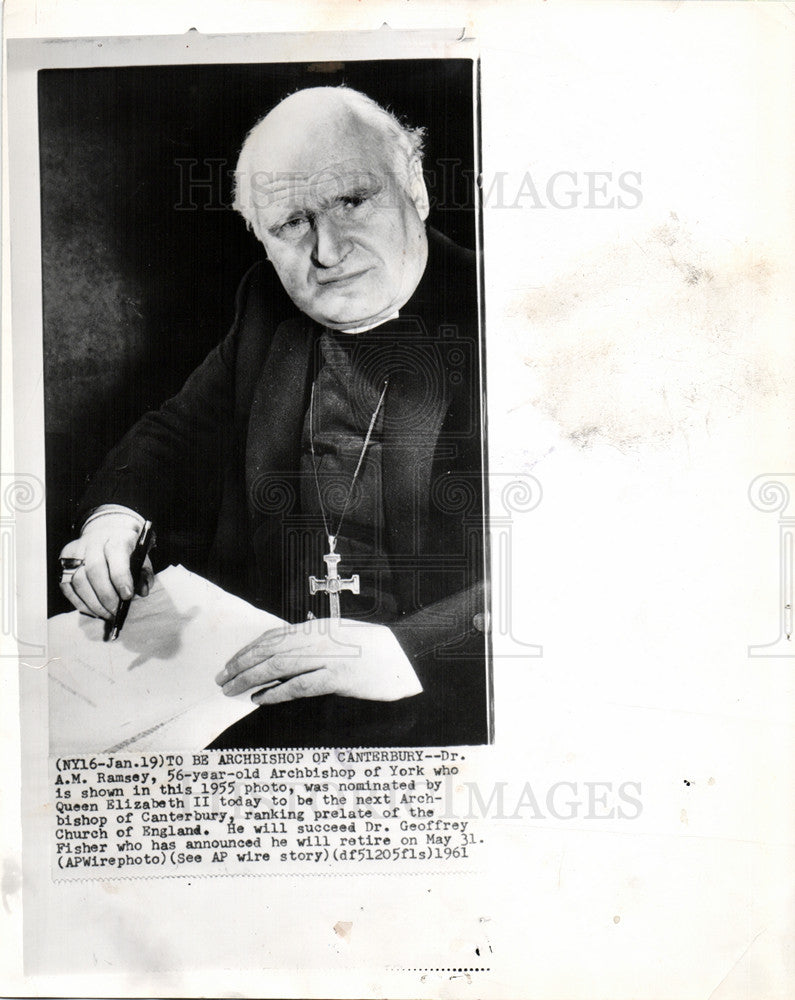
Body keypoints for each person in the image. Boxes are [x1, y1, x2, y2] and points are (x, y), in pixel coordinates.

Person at [57, 86, 488, 748]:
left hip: (435, 709)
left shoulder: (516, 313)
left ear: (416, 189)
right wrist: (114, 519)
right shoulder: (266, 301)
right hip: (251, 692)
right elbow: (176, 434)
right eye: (290, 223)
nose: (326, 252)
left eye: (351, 201)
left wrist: (407, 652)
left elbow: (592, 562)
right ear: (259, 237)